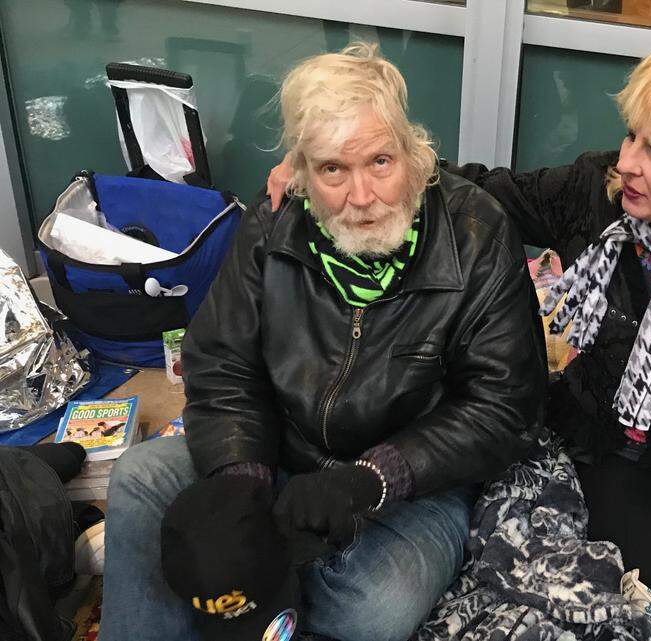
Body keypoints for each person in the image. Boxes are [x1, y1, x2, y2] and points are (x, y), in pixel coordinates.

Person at [270, 35, 651, 590]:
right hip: (606, 437)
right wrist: (349, 168)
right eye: (632, 135)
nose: (628, 163)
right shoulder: (596, 193)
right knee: (643, 584)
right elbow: (492, 192)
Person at [102, 43, 546, 641]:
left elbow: (503, 405)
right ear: (303, 172)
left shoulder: (476, 232)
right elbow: (225, 361)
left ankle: (244, 586)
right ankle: (222, 591)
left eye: (381, 162)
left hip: (410, 483)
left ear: (414, 154)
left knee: (374, 608)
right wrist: (240, 479)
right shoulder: (274, 221)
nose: (361, 196)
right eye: (334, 169)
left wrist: (368, 479)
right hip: (282, 446)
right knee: (136, 480)